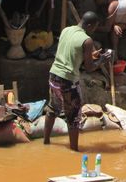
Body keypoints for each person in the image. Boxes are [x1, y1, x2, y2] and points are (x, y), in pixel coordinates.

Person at [44, 11, 105, 151]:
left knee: (53, 108)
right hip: (68, 80)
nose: (93, 31)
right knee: (73, 116)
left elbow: (71, 52)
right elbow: (89, 68)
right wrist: (101, 59)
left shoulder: (66, 30)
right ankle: (74, 151)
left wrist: (89, 55)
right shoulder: (87, 40)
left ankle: (46, 142)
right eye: (94, 28)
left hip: (54, 75)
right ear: (89, 25)